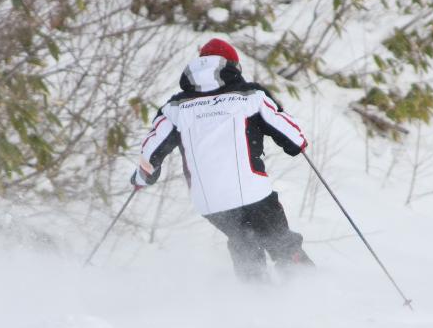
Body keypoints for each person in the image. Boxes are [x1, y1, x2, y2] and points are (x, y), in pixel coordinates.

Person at [131, 38, 313, 281]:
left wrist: (142, 177)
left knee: (243, 239)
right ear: (233, 66)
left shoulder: (175, 107)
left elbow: (150, 153)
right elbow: (294, 137)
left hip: (210, 201)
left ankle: (256, 293)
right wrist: (298, 144)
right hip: (252, 190)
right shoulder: (250, 96)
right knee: (279, 241)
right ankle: (310, 287)